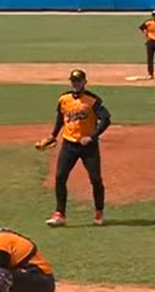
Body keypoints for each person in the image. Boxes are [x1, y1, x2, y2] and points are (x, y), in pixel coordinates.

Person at [35, 69, 112, 227]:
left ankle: (99, 211)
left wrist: (92, 136)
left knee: (95, 179)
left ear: (85, 82)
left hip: (88, 146)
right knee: (60, 177)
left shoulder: (93, 100)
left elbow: (106, 119)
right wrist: (53, 135)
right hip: (69, 144)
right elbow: (60, 118)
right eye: (73, 81)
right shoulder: (64, 99)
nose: (75, 84)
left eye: (78, 81)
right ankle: (60, 214)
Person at [138, 10, 155, 79]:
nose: (154, 16)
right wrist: (145, 34)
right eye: (153, 15)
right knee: (150, 59)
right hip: (150, 42)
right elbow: (142, 28)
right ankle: (150, 73)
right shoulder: (148, 22)